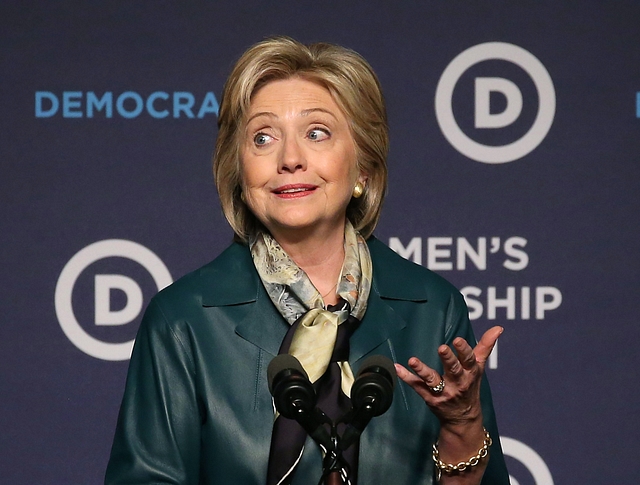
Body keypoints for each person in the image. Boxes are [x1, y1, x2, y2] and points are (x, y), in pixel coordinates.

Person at [105, 36, 510, 485]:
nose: (290, 159)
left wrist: (462, 428)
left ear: (363, 168)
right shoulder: (182, 320)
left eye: (317, 133)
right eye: (263, 138)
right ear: (239, 173)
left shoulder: (434, 309)